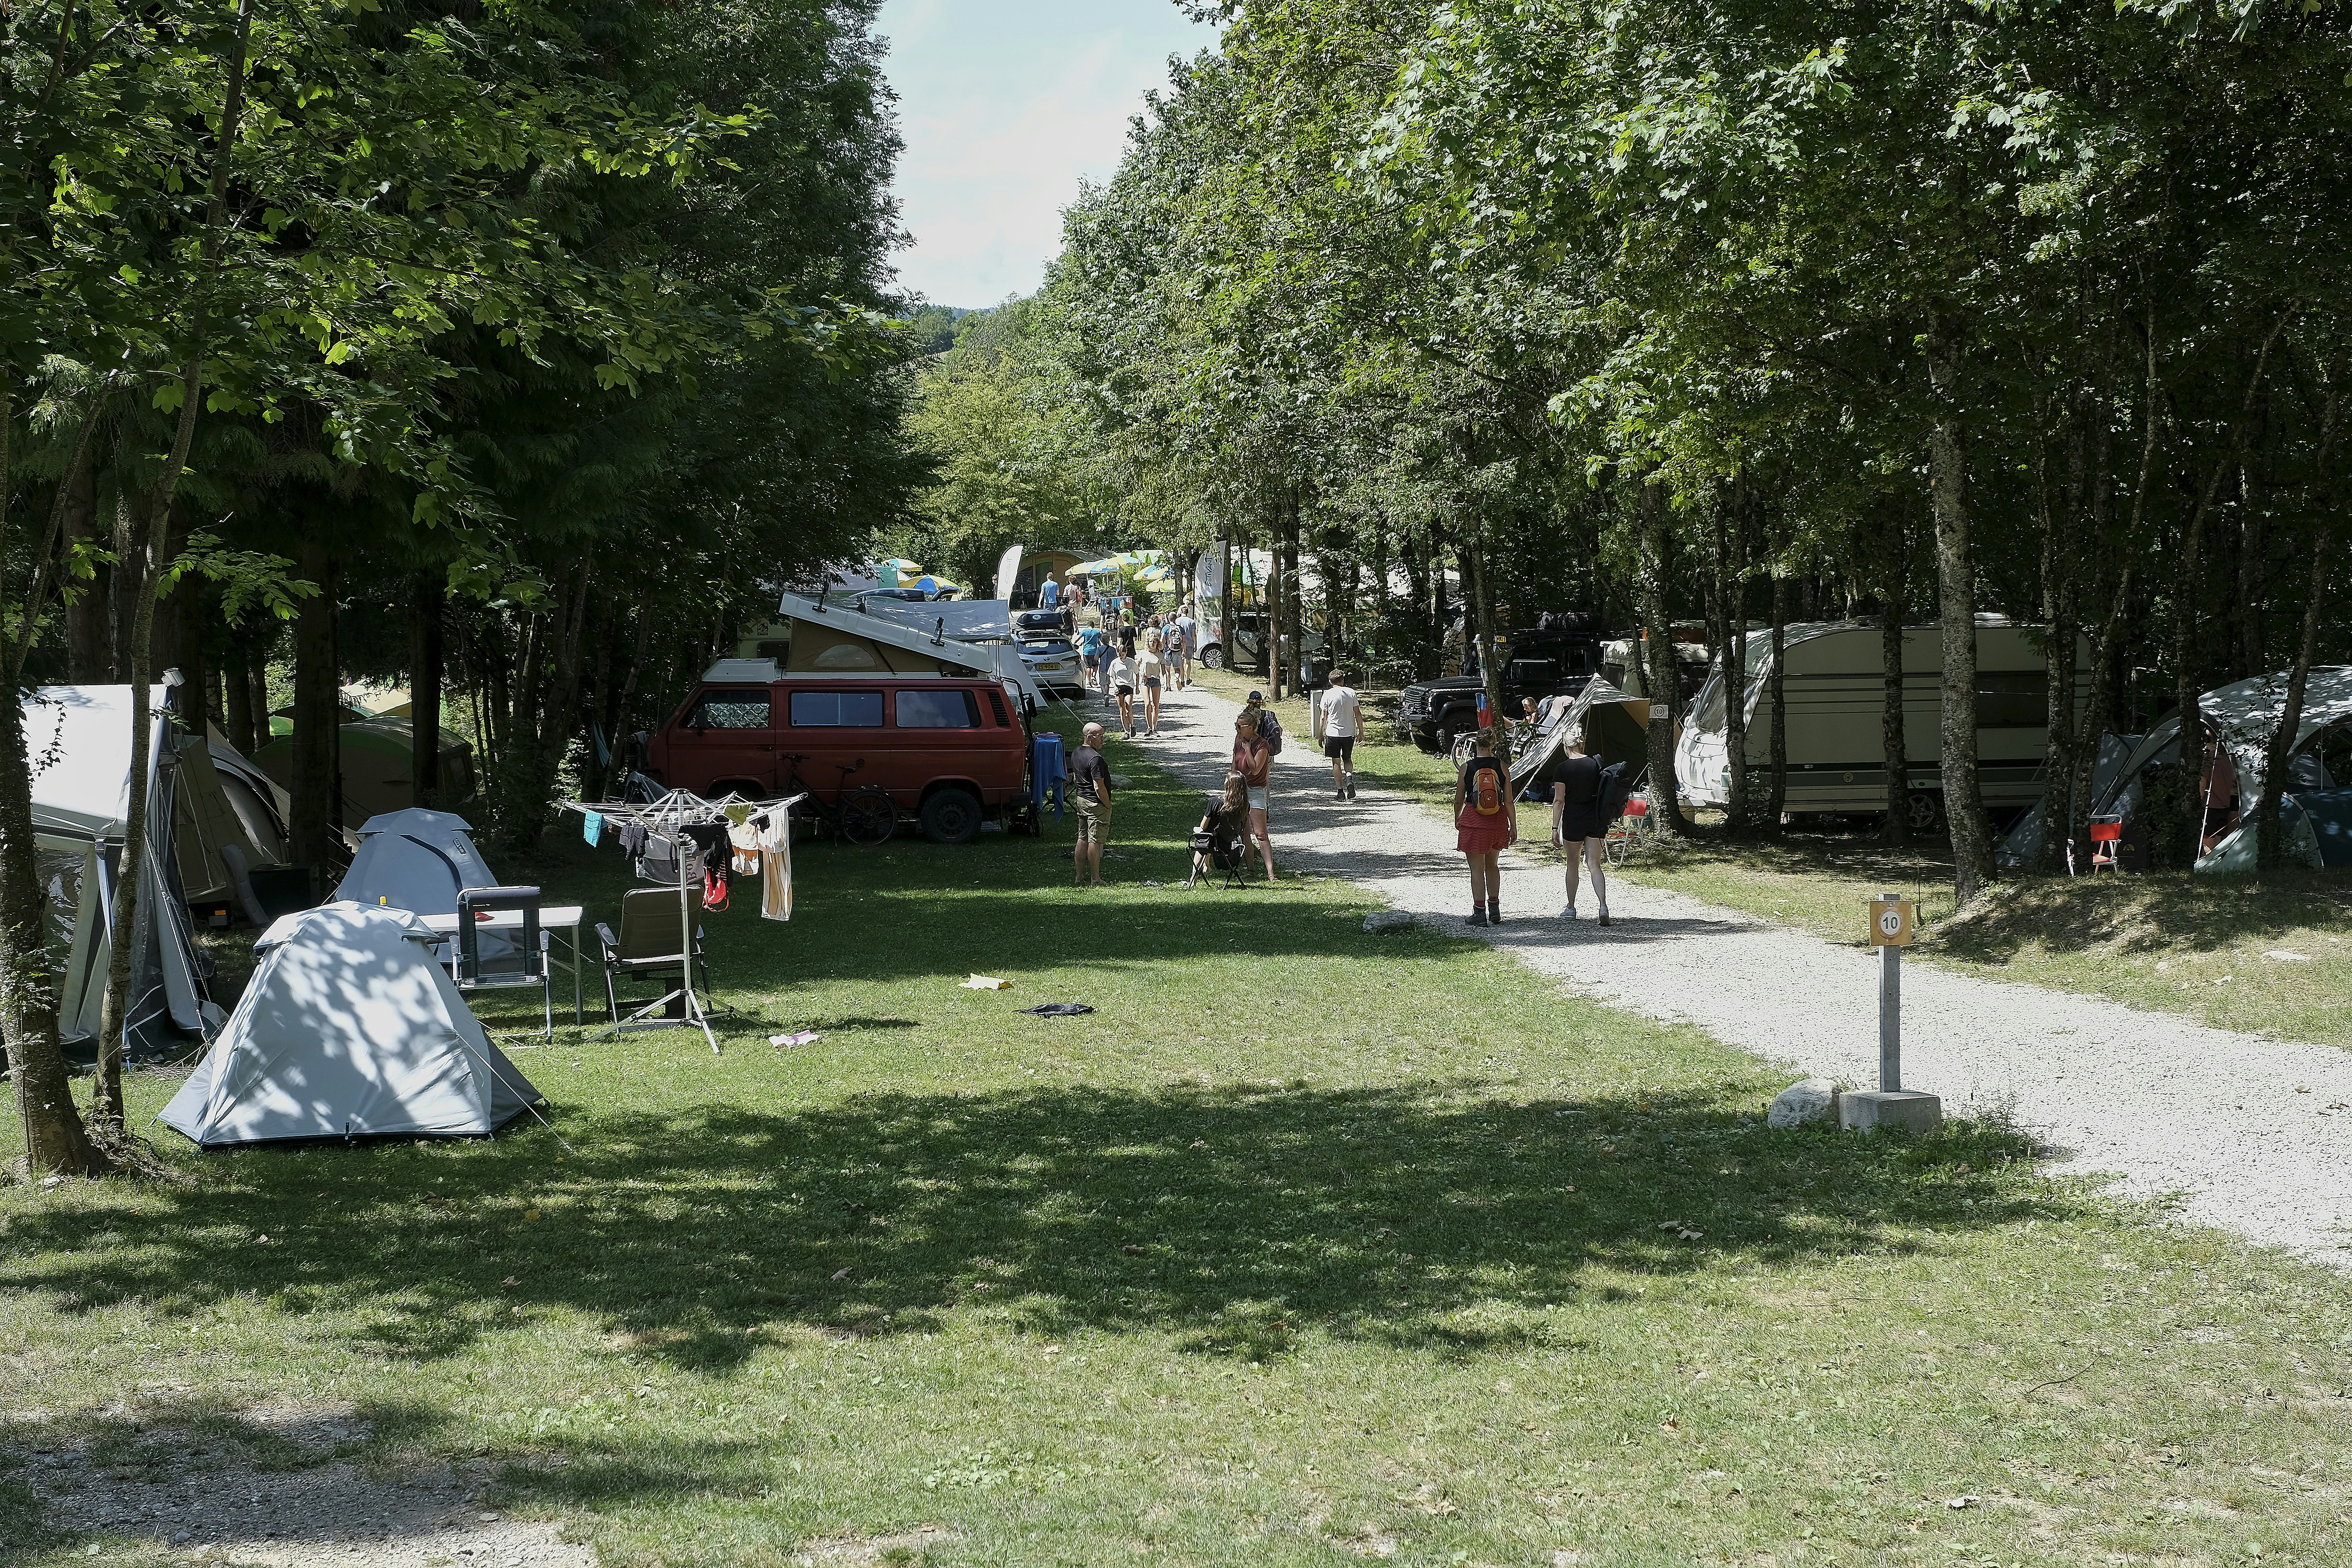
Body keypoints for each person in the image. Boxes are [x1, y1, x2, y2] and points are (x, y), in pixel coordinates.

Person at [1547, 725, 1610, 926]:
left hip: (1573, 819)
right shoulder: (1595, 764)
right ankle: (1603, 906)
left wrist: (1555, 827)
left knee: (1572, 864)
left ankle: (1571, 908)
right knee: (1594, 864)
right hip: (1595, 818)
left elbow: (1559, 801)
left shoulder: (1562, 769)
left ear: (1565, 745)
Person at [1453, 726, 1516, 926]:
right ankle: (1495, 910)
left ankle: (1480, 913)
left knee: (1477, 870)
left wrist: (1458, 818)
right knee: (1492, 866)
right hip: (1497, 821)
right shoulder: (1502, 766)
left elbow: (1459, 799)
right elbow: (1509, 800)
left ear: (1475, 744)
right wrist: (1513, 826)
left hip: (1474, 822)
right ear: (1494, 744)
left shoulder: (1467, 768)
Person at [1233, 710, 1277, 881]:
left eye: (1240, 726)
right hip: (1240, 790)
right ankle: (1250, 870)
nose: (1237, 729)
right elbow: (1235, 763)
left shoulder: (1263, 745)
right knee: (1244, 833)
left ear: (1251, 728)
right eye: (1236, 725)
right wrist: (1231, 785)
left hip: (1256, 790)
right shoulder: (1238, 741)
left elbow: (1256, 769)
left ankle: (1271, 874)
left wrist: (1248, 750)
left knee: (1261, 834)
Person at [1187, 772, 1251, 887]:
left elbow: (1203, 826)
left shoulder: (1216, 802)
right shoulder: (1245, 806)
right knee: (1213, 835)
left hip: (1211, 843)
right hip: (1228, 844)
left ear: (1228, 784)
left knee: (1202, 835)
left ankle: (1193, 881)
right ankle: (1206, 864)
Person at [1069, 722, 1112, 887]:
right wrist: (1107, 804)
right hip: (1096, 804)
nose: (1103, 739)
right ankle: (1095, 878)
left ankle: (1079, 877)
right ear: (1089, 738)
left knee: (1083, 838)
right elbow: (1098, 786)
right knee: (1095, 840)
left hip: (1081, 801)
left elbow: (1075, 777)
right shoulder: (1095, 759)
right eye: (1100, 736)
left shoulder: (1077, 752)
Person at [1321, 667, 1362, 799]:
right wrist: (1361, 731)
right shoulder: (1351, 693)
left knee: (1336, 762)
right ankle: (1349, 777)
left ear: (1330, 681)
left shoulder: (1327, 695)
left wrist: (1321, 734)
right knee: (1348, 759)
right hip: (1349, 732)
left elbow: (1323, 717)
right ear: (1343, 680)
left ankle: (1340, 791)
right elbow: (1357, 713)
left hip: (1333, 733)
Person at [2200, 736, 2240, 856]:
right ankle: (2216, 868)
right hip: (2224, 807)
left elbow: (2202, 781)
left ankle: (2205, 870)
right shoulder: (2230, 760)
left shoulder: (2209, 760)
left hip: (2210, 807)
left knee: (2207, 845)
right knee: (2218, 842)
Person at [1138, 627, 1167, 737]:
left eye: (1154, 642)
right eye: (1151, 642)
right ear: (1148, 643)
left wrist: (1167, 683)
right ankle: (1149, 727)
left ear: (1157, 643)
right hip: (1145, 680)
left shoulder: (1160, 655)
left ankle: (1154, 729)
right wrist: (1142, 675)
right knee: (1148, 704)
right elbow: (1137, 667)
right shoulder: (1143, 653)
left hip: (1156, 680)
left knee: (1156, 705)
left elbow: (1164, 671)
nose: (1152, 644)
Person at [1108, 646, 1139, 738]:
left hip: (1129, 686)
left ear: (1126, 653)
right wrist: (1114, 686)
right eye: (1120, 655)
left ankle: (1132, 726)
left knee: (1129, 707)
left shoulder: (1131, 662)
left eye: (1123, 655)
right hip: (1119, 686)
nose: (1121, 657)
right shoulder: (1114, 662)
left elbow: (1137, 674)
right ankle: (1126, 731)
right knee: (1122, 711)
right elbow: (1111, 676)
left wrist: (1137, 687)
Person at [1171, 606, 1196, 689]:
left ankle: (1182, 681)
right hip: (1189, 644)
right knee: (1188, 662)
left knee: (1181, 663)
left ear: (1181, 612)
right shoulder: (1192, 622)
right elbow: (1194, 635)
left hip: (1179, 644)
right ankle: (1188, 678)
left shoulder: (1177, 621)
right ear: (1188, 612)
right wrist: (1196, 644)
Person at [1076, 620, 1104, 692]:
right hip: (1095, 652)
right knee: (1096, 665)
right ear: (1094, 626)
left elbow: (1078, 639)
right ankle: (1094, 676)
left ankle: (1089, 682)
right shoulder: (1097, 632)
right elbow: (1101, 640)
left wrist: (1073, 643)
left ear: (1087, 626)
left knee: (1088, 667)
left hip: (1087, 652)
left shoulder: (1085, 632)